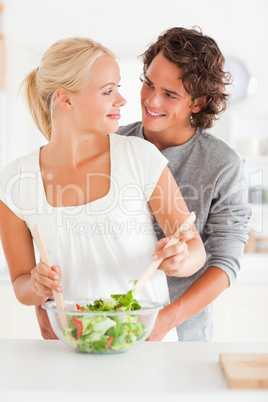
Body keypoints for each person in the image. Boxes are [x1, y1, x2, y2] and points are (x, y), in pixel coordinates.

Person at [0, 37, 206, 341]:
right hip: (71, 348)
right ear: (66, 99)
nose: (122, 100)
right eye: (108, 91)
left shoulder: (139, 156)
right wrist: (35, 285)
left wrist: (181, 258)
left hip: (144, 347)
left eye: (119, 88)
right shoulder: (18, 179)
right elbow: (21, 285)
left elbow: (194, 250)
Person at [116, 27, 251, 341]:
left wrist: (164, 321)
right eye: (149, 83)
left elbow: (225, 261)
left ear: (198, 102)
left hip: (183, 335)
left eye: (170, 94)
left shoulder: (223, 164)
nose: (151, 100)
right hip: (111, 321)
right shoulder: (112, 144)